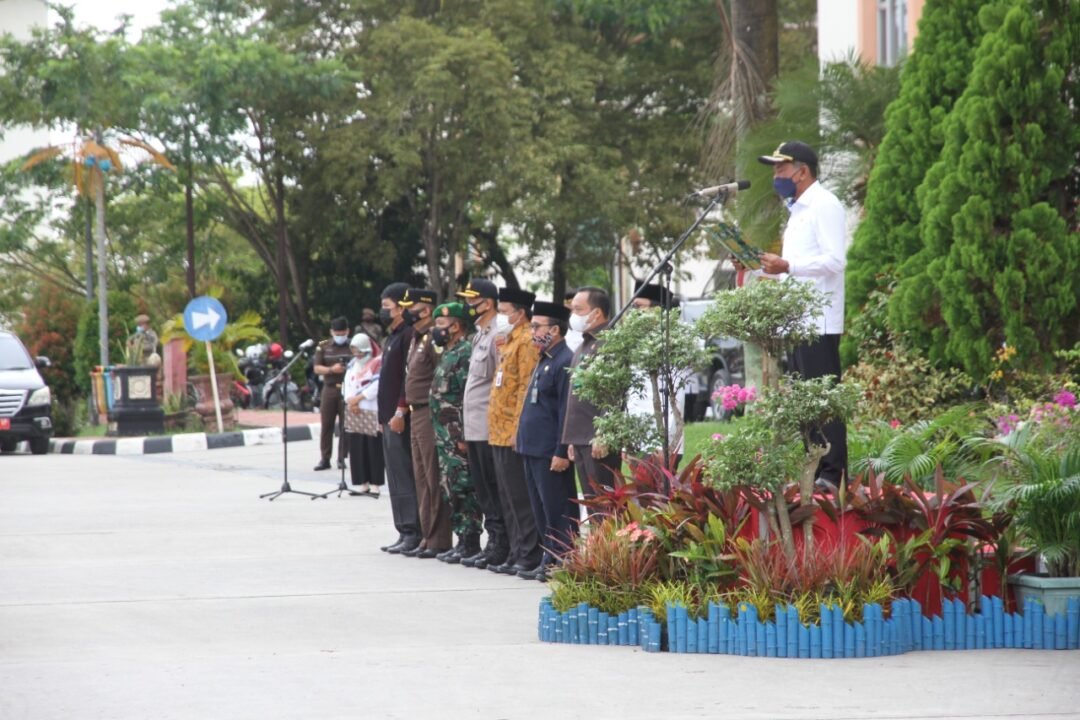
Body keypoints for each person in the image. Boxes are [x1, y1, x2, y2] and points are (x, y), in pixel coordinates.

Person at [757, 140, 849, 484]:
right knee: (805, 403)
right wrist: (758, 268)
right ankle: (814, 468)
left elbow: (835, 261)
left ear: (802, 170)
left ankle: (833, 473)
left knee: (822, 400)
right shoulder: (798, 210)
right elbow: (790, 270)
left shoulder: (824, 204)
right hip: (798, 321)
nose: (776, 175)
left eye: (781, 168)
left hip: (819, 321)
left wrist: (789, 265)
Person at [516, 300, 576, 581]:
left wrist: (562, 450)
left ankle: (564, 558)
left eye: (537, 326)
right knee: (540, 508)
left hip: (550, 450)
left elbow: (566, 410)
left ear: (555, 329)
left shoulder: (565, 360)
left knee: (558, 508)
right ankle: (548, 555)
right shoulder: (545, 359)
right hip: (532, 447)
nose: (533, 332)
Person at [487, 286, 543, 576]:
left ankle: (529, 553)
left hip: (512, 430)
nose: (500, 317)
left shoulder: (525, 342)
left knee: (520, 497)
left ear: (521, 313)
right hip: (497, 429)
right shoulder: (507, 341)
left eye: (505, 312)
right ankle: (515, 550)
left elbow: (524, 388)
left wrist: (517, 428)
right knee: (507, 496)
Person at [455, 279, 509, 570]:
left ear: (486, 303)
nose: (468, 306)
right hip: (475, 425)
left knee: (493, 486)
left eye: (472, 300)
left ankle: (501, 544)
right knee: (483, 489)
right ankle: (494, 543)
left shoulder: (499, 332)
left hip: (489, 425)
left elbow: (499, 381)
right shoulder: (481, 333)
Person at [397, 288, 452, 559]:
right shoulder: (417, 337)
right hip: (415, 411)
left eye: (412, 306)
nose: (407, 311)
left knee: (432, 476)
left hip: (429, 413)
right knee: (421, 477)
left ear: (426, 309)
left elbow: (441, 375)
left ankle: (439, 538)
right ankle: (428, 535)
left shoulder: (434, 337)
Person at [428, 302, 482, 564]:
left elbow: (464, 397)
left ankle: (471, 539)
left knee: (464, 486)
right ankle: (462, 538)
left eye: (440, 325)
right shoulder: (448, 353)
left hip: (456, 434)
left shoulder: (465, 352)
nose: (436, 330)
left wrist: (462, 435)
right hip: (443, 436)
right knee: (450, 486)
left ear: (457, 326)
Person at [562, 286, 621, 503]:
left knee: (604, 504)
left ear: (596, 313)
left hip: (597, 439)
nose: (573, 316)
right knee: (591, 503)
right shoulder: (585, 344)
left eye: (578, 309)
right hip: (581, 437)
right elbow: (576, 396)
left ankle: (609, 539)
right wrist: (572, 438)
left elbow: (614, 392)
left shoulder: (609, 344)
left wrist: (603, 433)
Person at [377, 283, 421, 554]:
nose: (384, 312)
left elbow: (408, 378)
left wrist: (399, 411)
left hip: (399, 416)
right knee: (394, 476)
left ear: (402, 307)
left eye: (387, 307)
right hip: (387, 416)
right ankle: (403, 529)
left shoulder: (408, 335)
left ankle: (413, 530)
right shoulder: (392, 335)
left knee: (405, 474)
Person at [628, 281, 689, 470]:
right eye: (633, 307)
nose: (634, 312)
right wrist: (627, 441)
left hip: (661, 441)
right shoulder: (635, 342)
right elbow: (632, 394)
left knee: (658, 497)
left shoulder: (673, 343)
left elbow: (675, 398)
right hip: (638, 438)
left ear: (659, 309)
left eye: (639, 306)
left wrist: (666, 443)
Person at [343, 333, 384, 497]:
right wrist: (350, 401)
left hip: (370, 408)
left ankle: (375, 485)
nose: (357, 354)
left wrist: (359, 398)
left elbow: (377, 386)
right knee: (357, 447)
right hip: (354, 410)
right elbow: (347, 384)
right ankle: (363, 484)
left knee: (372, 447)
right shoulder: (352, 365)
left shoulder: (377, 363)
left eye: (359, 350)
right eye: (354, 350)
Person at [312, 317, 352, 471]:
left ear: (347, 331)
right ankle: (325, 458)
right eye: (337, 333)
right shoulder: (323, 346)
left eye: (343, 332)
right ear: (331, 332)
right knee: (326, 424)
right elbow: (316, 368)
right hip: (329, 388)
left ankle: (342, 458)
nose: (340, 335)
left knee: (345, 425)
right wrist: (331, 369)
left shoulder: (352, 346)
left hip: (346, 388)